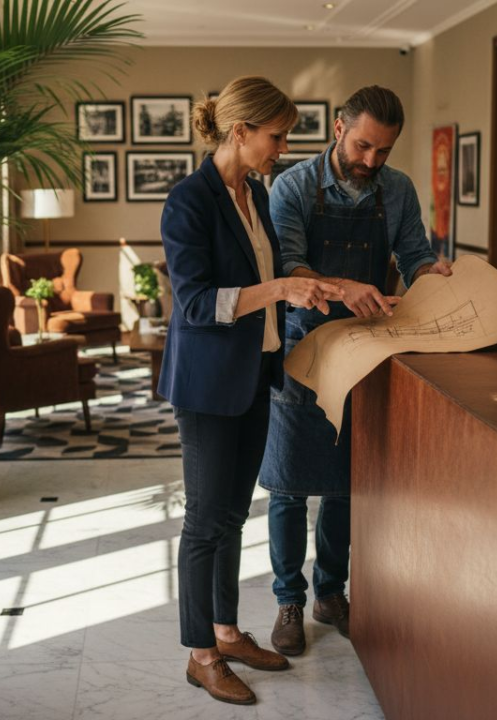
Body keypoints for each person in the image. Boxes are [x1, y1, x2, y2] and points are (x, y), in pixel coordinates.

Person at [159, 76, 342, 705]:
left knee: (234, 516)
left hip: (253, 376)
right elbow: (194, 303)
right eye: (276, 135)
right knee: (205, 522)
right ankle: (200, 655)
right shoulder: (189, 201)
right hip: (207, 386)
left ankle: (229, 631)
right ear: (241, 132)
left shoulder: (255, 196)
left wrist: (315, 284)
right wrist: (280, 293)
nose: (282, 148)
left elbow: (270, 275)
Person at [259, 85, 453, 656]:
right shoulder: (291, 186)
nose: (371, 162)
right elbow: (290, 266)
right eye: (364, 145)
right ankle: (287, 600)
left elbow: (414, 256)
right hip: (304, 343)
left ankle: (329, 593)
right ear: (339, 128)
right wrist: (344, 287)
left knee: (347, 482)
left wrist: (433, 274)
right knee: (289, 484)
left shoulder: (397, 191)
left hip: (369, 345)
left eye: (384, 152)